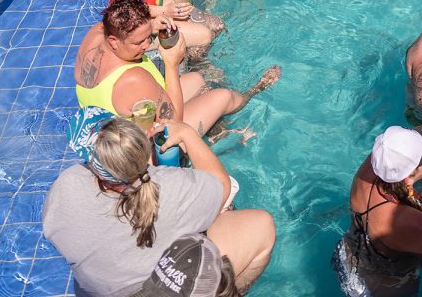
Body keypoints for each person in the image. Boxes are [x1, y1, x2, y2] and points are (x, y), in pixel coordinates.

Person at [44, 110, 276, 297]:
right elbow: (222, 187)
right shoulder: (168, 187)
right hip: (166, 288)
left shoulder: (65, 187)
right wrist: (188, 134)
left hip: (101, 291)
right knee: (261, 224)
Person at [74, 0, 280, 129]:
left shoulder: (98, 32)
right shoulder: (133, 78)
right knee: (223, 96)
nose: (147, 45)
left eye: (148, 36)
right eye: (139, 42)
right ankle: (256, 89)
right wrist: (171, 64)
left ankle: (214, 127)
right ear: (114, 40)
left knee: (196, 79)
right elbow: (174, 125)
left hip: (114, 127)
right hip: (141, 151)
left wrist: (152, 25)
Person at [333, 124, 422, 297]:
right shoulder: (414, 224)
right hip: (383, 290)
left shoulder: (373, 164)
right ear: (408, 176)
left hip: (345, 258)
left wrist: (421, 171)